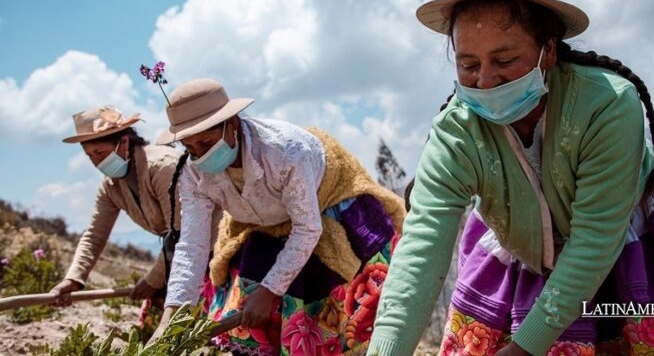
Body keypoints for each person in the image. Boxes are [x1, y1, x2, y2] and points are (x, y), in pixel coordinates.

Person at [368, 0, 654, 355]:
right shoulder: (457, 133)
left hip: (637, 249)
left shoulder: (606, 105)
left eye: (505, 60)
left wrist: (524, 350)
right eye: (468, 64)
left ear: (548, 50)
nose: (486, 80)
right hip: (528, 257)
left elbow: (595, 240)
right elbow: (420, 251)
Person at [151, 78, 406, 354]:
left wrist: (269, 291)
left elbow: (307, 228)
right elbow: (193, 246)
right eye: (190, 148)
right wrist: (172, 316)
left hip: (325, 206)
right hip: (262, 224)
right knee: (249, 308)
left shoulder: (285, 152)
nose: (200, 155)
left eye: (206, 142)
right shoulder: (193, 173)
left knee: (326, 313)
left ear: (232, 125)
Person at [51, 106, 208, 306]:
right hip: (177, 257)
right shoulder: (111, 186)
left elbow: (182, 231)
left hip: (210, 250)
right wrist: (73, 279)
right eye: (90, 156)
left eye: (100, 152)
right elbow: (94, 236)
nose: (97, 162)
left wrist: (153, 280)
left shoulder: (163, 167)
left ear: (124, 142)